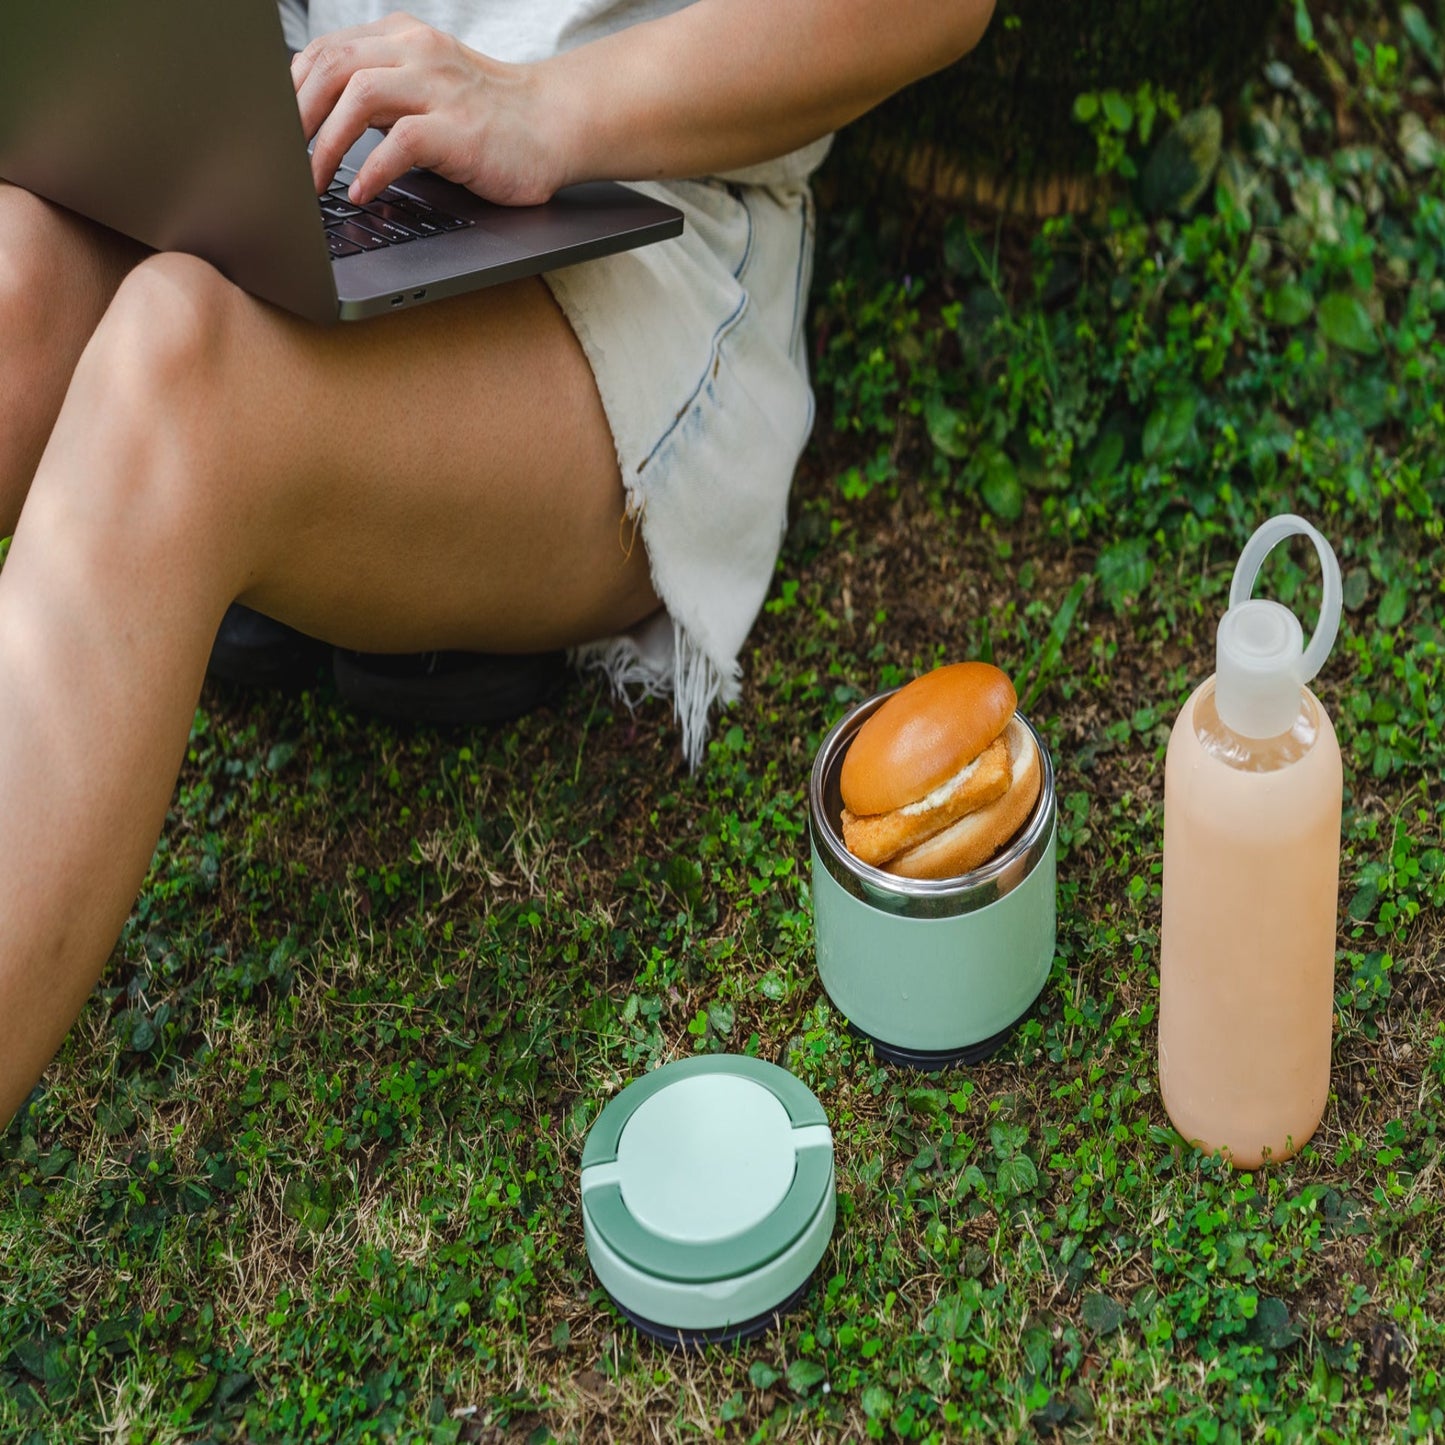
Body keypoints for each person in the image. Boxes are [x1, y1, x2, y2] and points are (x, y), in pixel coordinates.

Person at [0, 0, 996, 1130]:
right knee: (11, 288)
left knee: (173, 372)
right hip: (292, 132)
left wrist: (542, 105)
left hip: (625, 215)